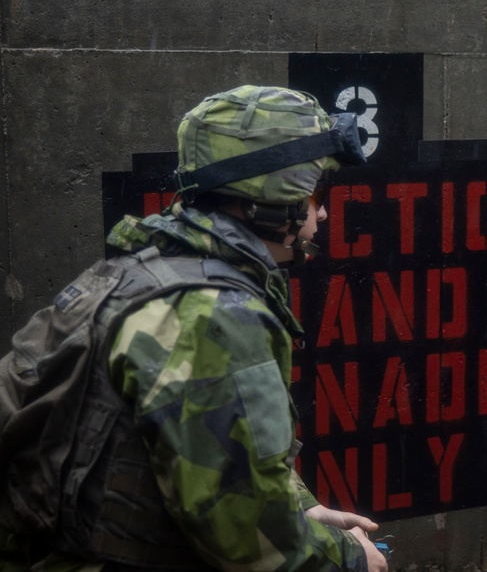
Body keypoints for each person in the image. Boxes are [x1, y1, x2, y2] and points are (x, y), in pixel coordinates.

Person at [0, 86, 389, 571]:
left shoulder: (143, 275)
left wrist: (302, 507)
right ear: (276, 195)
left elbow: (205, 448)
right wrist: (352, 560)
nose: (324, 211)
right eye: (316, 194)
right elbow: (244, 534)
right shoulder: (216, 317)